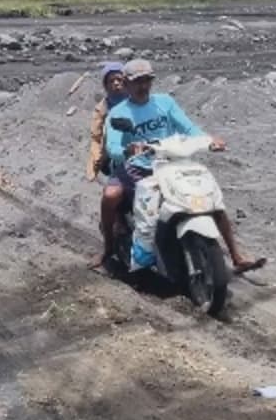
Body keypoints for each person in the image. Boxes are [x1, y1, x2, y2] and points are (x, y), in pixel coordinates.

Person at [92, 59, 265, 275]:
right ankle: (108, 248)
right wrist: (128, 150)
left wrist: (208, 140)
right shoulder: (118, 113)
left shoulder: (165, 102)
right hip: (136, 166)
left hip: (169, 162)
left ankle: (236, 256)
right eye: (137, 82)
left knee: (208, 199)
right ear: (126, 84)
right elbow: (113, 146)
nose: (142, 86)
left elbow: (188, 127)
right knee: (111, 195)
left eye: (146, 80)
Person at [85, 62, 127, 183]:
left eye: (119, 79)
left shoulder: (137, 102)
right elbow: (96, 137)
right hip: (112, 154)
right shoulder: (102, 109)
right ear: (106, 85)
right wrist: (95, 160)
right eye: (111, 81)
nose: (116, 83)